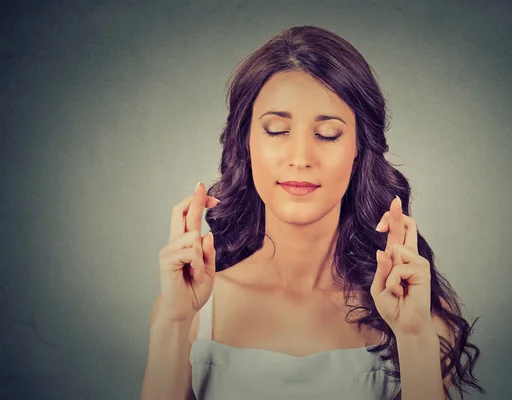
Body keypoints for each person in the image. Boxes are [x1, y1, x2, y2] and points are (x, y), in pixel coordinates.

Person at [140, 25, 485, 400]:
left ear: (358, 148)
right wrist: (173, 323)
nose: (301, 158)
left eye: (328, 134)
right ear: (246, 143)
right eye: (276, 130)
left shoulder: (414, 311)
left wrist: (415, 336)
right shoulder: (190, 309)